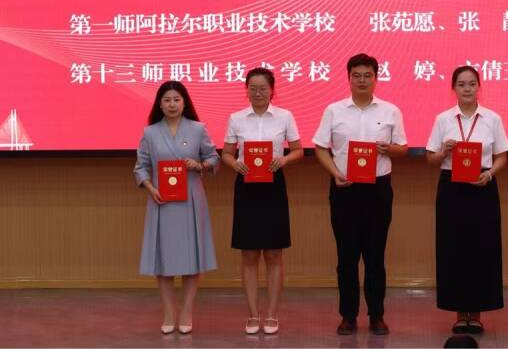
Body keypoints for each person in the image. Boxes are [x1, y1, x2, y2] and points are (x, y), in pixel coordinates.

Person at [313, 53, 409, 335]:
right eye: (357, 75)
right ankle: (348, 315)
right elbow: (320, 147)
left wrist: (388, 149)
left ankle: (377, 315)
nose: (362, 80)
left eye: (368, 75)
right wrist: (334, 172)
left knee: (375, 257)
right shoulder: (334, 111)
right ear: (349, 78)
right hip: (345, 189)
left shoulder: (390, 111)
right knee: (346, 258)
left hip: (378, 190)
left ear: (376, 78)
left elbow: (402, 148)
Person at [426, 65, 508, 334]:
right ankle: (460, 314)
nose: (467, 89)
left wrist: (490, 174)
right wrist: (443, 151)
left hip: (482, 186)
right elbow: (431, 159)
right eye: (461, 84)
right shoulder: (443, 119)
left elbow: (502, 157)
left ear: (479, 87)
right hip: (452, 189)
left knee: (482, 249)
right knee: (454, 249)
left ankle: (477, 314)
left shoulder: (492, 119)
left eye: (472, 84)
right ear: (453, 88)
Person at [220, 67, 302, 335]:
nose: (257, 93)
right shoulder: (236, 118)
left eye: (263, 88)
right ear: (246, 90)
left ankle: (272, 314)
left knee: (275, 252)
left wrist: (284, 159)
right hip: (246, 186)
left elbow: (298, 150)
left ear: (272, 90)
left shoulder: (284, 116)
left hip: (273, 185)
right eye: (252, 89)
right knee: (249, 253)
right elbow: (227, 154)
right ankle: (253, 314)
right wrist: (235, 164)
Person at [133, 81, 219, 335]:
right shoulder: (150, 133)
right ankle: (169, 312)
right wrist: (151, 188)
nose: (172, 104)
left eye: (177, 100)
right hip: (162, 202)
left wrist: (200, 165)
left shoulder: (198, 129)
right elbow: (141, 167)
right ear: (160, 104)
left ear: (184, 103)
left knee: (192, 260)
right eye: (167, 100)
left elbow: (213, 158)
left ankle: (187, 312)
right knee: (163, 261)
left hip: (191, 201)